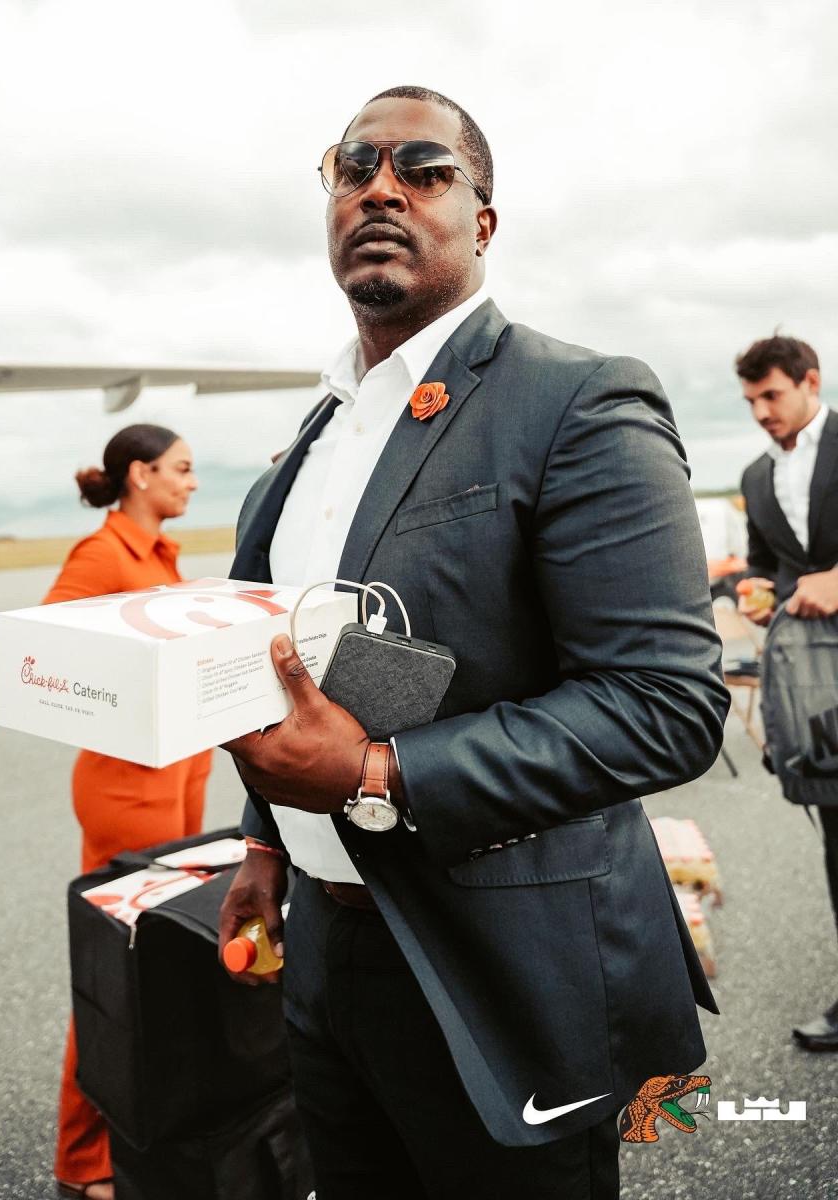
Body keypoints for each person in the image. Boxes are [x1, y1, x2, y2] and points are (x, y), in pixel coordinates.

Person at [217, 85, 728, 1199]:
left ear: (483, 220)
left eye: (423, 168)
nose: (381, 188)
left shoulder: (577, 400)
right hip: (330, 951)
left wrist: (371, 772)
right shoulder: (315, 435)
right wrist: (266, 844)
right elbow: (287, 671)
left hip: (504, 969)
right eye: (354, 167)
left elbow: (666, 705)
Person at [45, 424, 213, 1200]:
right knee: (120, 967)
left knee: (157, 969)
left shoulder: (160, 553)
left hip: (178, 776)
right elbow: (46, 655)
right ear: (140, 476)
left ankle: (139, 1135)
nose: (193, 482)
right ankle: (83, 1161)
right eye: (181, 470)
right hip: (128, 785)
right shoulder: (101, 554)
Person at [734, 334, 838, 1051]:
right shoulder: (754, 475)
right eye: (750, 402)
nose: (761, 413)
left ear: (810, 381)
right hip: (817, 689)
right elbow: (771, 567)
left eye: (771, 395)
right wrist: (757, 592)